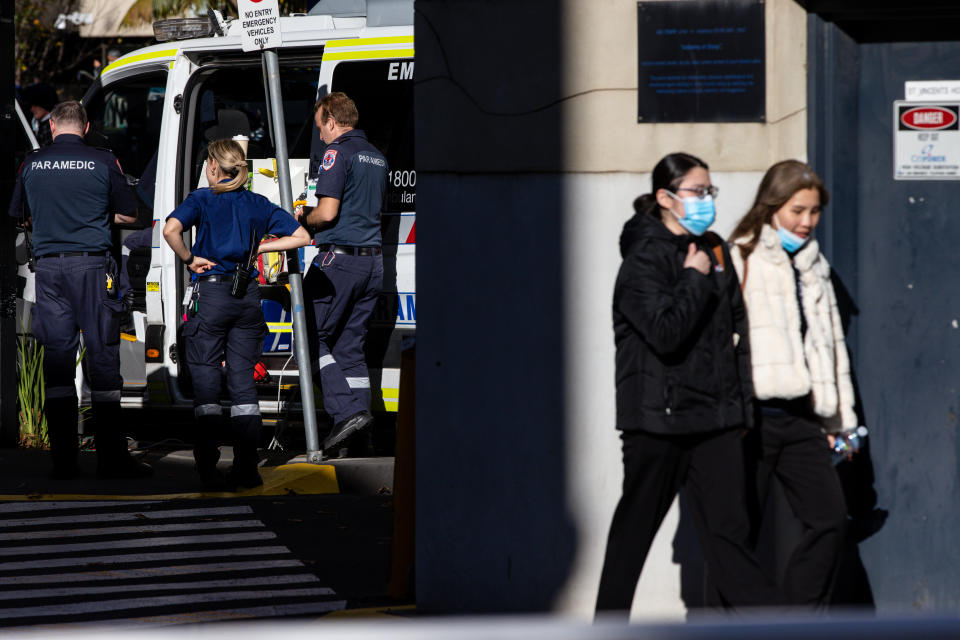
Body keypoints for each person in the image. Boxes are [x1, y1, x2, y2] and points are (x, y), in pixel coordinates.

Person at [596, 152, 775, 615]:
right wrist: (694, 279)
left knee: (729, 538)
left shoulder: (716, 249)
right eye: (697, 191)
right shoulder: (643, 261)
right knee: (633, 535)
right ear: (665, 197)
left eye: (709, 191)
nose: (706, 201)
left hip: (715, 421)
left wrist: (741, 412)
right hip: (659, 422)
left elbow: (738, 335)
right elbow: (666, 334)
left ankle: (769, 628)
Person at [728, 159, 854, 606]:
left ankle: (795, 623)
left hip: (802, 420)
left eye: (815, 211)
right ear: (772, 205)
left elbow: (830, 348)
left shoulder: (814, 264)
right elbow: (724, 346)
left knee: (831, 522)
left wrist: (839, 422)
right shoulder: (740, 257)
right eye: (797, 210)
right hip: (752, 420)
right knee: (737, 539)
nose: (807, 222)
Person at [7, 100, 152, 479]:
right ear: (85, 128)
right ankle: (112, 459)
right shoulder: (104, 161)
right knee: (102, 361)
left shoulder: (32, 163)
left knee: (57, 365)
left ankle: (64, 462)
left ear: (52, 126)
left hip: (50, 271)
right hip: (93, 269)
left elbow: (18, 214)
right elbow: (131, 213)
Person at [163, 139, 311, 491]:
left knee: (207, 384)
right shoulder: (259, 204)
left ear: (214, 167)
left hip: (211, 294)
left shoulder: (201, 199)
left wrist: (188, 258)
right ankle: (246, 468)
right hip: (247, 296)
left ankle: (208, 469)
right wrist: (261, 245)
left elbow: (170, 230)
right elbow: (302, 236)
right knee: (244, 385)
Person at [297, 92, 388, 455]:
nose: (320, 136)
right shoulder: (377, 156)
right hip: (373, 263)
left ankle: (346, 412)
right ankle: (360, 432)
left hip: (339, 261)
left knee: (307, 336)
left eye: (321, 128)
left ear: (332, 122)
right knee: (350, 349)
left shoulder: (338, 153)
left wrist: (302, 216)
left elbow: (328, 213)